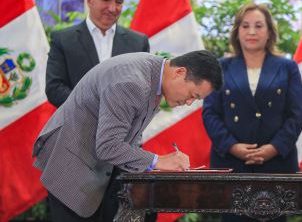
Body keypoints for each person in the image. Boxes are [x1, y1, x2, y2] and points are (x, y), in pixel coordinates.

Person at [33, 50, 223, 222]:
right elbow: (108, 146)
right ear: (180, 72)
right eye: (193, 95)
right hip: (72, 163)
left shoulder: (155, 73)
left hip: (93, 162)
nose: (189, 103)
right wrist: (159, 161)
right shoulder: (132, 83)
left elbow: (128, 134)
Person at [202, 3, 302, 222]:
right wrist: (232, 146)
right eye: (245, 26)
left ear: (269, 33)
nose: (251, 32)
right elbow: (210, 113)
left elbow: (296, 116)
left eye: (259, 26)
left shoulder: (287, 67)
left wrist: (273, 148)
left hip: (276, 165)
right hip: (231, 163)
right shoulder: (221, 67)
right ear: (237, 32)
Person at [45, 0, 150, 107]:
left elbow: (145, 89)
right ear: (90, 0)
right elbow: (54, 88)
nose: (112, 8)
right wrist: (93, 109)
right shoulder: (63, 40)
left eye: (118, 2)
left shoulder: (138, 43)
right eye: (106, 0)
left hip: (124, 126)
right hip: (79, 125)